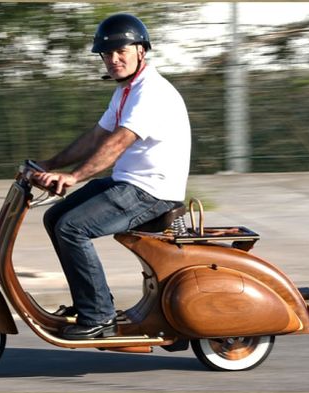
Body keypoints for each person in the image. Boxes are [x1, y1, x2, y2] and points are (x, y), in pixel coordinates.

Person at [34, 13, 191, 340]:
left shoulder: (151, 92)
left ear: (141, 51)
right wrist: (49, 164)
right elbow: (96, 137)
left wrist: (74, 176)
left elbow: (118, 142)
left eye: (122, 50)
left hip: (151, 191)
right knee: (55, 217)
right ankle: (88, 304)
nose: (114, 58)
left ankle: (100, 316)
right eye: (107, 53)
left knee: (72, 228)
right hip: (128, 183)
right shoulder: (125, 92)